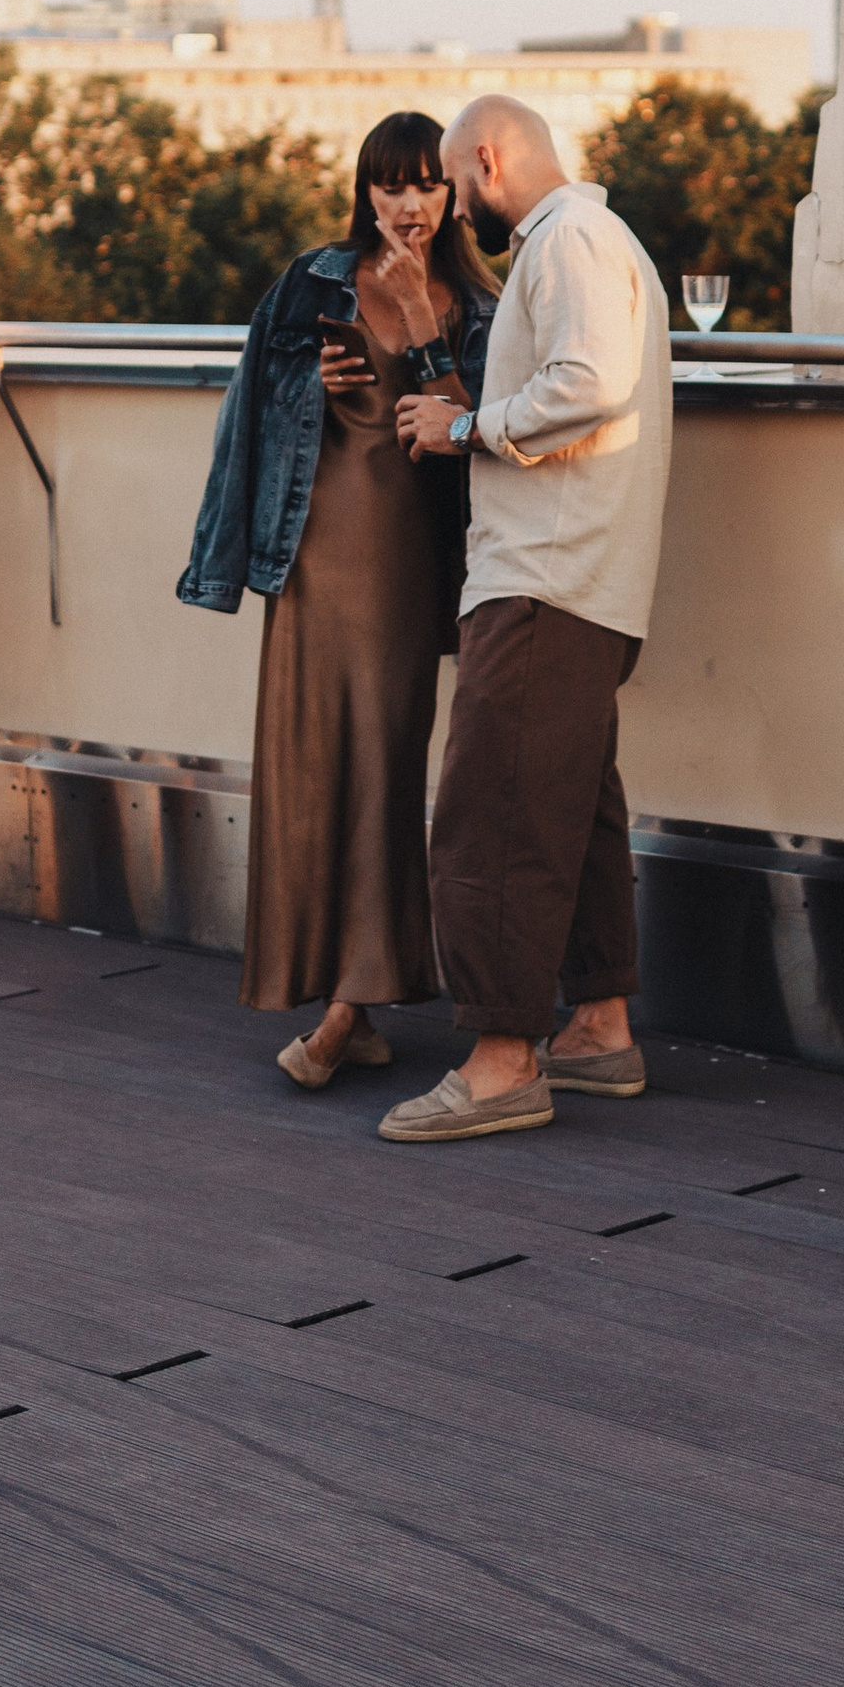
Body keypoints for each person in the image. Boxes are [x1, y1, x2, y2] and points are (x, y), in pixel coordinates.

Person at [179, 113, 500, 1088]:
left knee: (384, 772)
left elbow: (482, 433)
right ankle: (340, 1003)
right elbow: (249, 405)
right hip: (311, 558)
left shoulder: (479, 303)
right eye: (388, 184)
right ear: (364, 192)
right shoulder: (312, 279)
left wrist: (421, 326)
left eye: (426, 184)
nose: (408, 204)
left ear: (451, 193)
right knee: (307, 773)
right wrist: (302, 381)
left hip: (408, 569)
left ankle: (354, 1002)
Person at [376, 94, 672, 1144]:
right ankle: (598, 1027)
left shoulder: (565, 239)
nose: (456, 210)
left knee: (491, 816)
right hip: (583, 578)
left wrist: (466, 427)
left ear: (488, 161)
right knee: (571, 811)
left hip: (544, 577)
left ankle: (501, 1063)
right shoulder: (601, 238)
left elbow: (588, 383)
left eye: (457, 186)